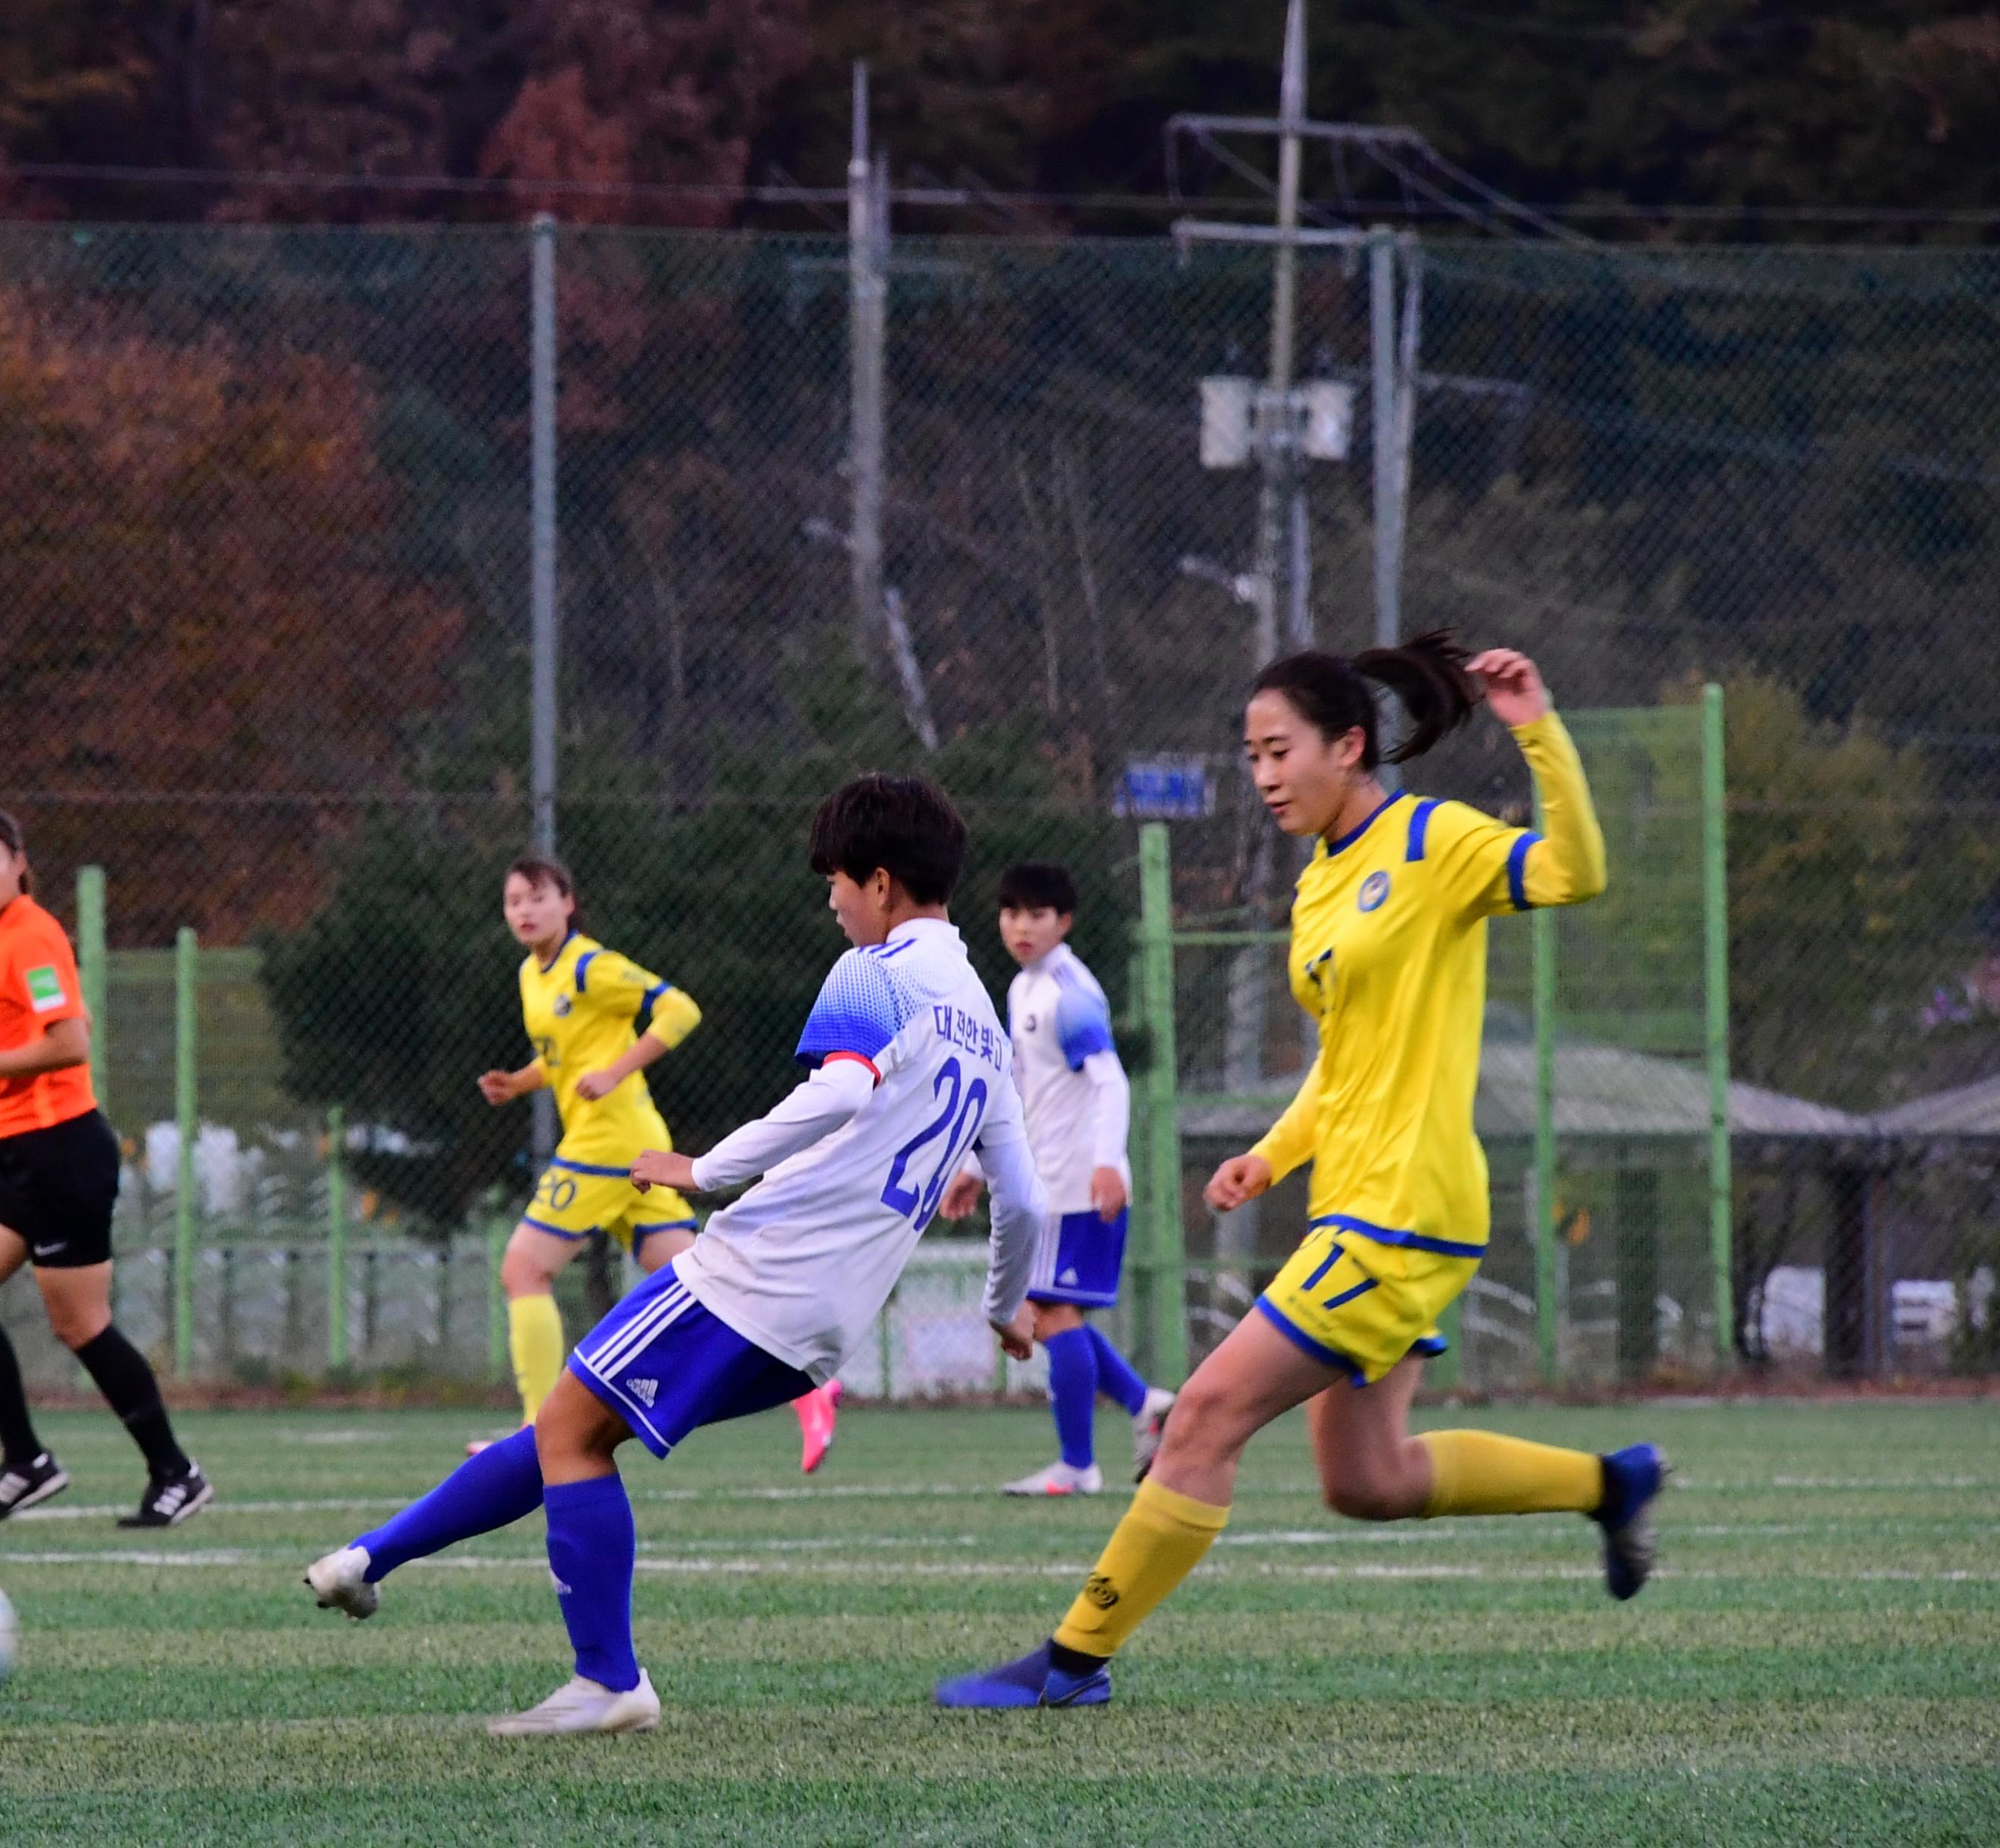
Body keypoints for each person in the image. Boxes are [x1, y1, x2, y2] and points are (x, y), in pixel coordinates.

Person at [936, 636, 1664, 1713]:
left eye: (1281, 750)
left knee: (1200, 1421)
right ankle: (1610, 1485)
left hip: (1403, 1212)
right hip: (1351, 1202)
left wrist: (1537, 730)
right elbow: (1345, 1062)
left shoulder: (1431, 840)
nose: (1266, 774)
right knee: (1367, 1483)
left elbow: (1575, 872)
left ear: (1351, 745)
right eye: (1252, 755)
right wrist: (1271, 1155)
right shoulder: (1322, 884)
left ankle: (1071, 1664)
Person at [305, 775, 1052, 1735]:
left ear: (879, 880)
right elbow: (1022, 1198)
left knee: (568, 1427)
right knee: (575, 1428)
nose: (829, 900)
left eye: (834, 879)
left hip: (753, 1274)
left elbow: (837, 1094)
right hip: (823, 1324)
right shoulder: (982, 1022)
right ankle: (372, 1558)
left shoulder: (878, 969)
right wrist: (1004, 1306)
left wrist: (702, 1170)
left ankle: (609, 1680)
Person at [473, 854, 845, 1472]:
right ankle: (810, 1389)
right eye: (514, 901)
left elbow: (680, 1009)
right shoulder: (532, 975)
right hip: (632, 1146)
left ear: (568, 902)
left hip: (606, 1144)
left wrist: (618, 1070)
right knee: (708, 1285)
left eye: (538, 897)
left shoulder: (593, 966)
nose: (525, 911)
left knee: (522, 1271)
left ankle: (535, 1431)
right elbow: (569, 1057)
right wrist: (519, 1082)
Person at [0, 805, 209, 1530]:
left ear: (19, 862)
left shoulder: (34, 935)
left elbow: (71, 1041)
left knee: (80, 1324)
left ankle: (175, 1472)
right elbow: (26, 1052)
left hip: (65, 1154)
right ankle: (27, 1462)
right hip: (14, 1147)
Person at [937, 861, 1173, 1496]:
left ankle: (1078, 1464)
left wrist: (1106, 1161)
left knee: (1046, 1312)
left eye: (1037, 914)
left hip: (1075, 1185)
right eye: (1011, 913)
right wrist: (972, 1167)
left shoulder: (1069, 994)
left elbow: (1110, 1080)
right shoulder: (1024, 989)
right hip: (1051, 1181)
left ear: (1063, 922)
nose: (1021, 926)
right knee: (1052, 1313)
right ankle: (1144, 1404)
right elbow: (1018, 1088)